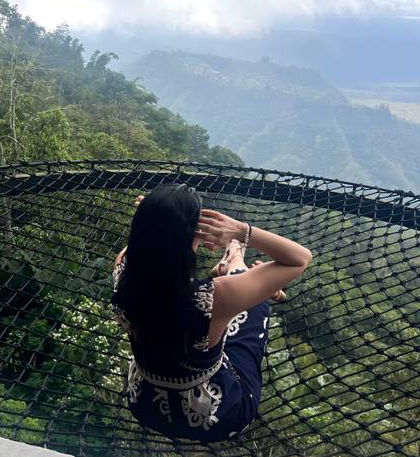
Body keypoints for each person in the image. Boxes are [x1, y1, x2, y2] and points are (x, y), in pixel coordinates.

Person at [112, 183, 312, 442]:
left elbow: (145, 244)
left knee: (236, 289)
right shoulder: (213, 298)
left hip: (145, 403)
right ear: (196, 232)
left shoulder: (122, 272)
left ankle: (237, 263)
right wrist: (242, 232)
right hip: (218, 417)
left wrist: (157, 217)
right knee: (253, 302)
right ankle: (236, 259)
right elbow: (300, 258)